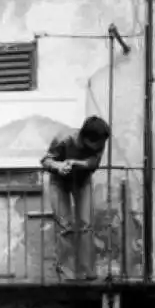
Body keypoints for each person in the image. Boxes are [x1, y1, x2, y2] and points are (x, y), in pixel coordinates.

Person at [40, 115, 110, 280]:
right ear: (85, 138)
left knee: (86, 225)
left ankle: (88, 271)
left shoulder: (100, 140)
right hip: (59, 182)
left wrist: (76, 163)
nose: (100, 147)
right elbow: (45, 160)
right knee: (65, 225)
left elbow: (94, 163)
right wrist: (58, 165)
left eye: (102, 144)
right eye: (97, 144)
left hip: (82, 181)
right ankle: (66, 271)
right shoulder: (63, 138)